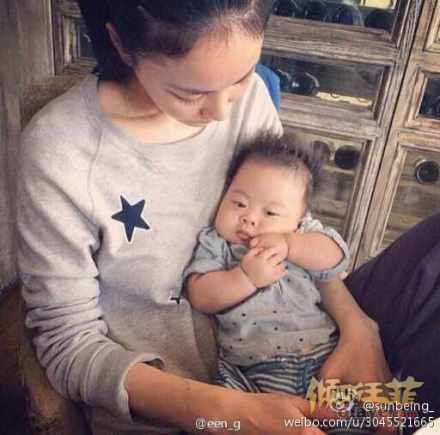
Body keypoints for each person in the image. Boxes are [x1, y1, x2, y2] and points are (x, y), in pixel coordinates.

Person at [16, 1, 438, 434]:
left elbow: (293, 228)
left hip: (307, 339)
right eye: (190, 93)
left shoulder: (249, 98)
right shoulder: (61, 152)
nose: (221, 113)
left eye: (241, 77)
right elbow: (67, 344)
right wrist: (231, 412)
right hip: (187, 402)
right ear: (121, 43)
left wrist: (358, 329)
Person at [183, 133, 351, 398]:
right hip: (253, 368)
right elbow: (200, 295)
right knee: (230, 407)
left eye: (270, 212)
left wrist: (290, 244)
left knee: (352, 412)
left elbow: (336, 257)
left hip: (323, 354)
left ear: (299, 218)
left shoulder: (302, 234)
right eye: (239, 203)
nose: (249, 218)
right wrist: (244, 277)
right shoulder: (217, 243)